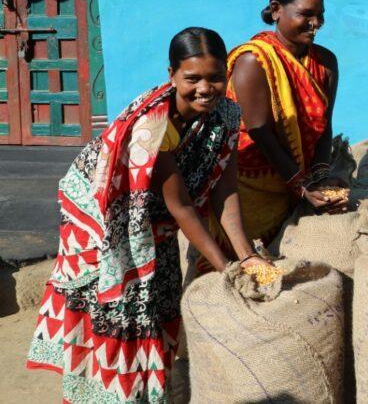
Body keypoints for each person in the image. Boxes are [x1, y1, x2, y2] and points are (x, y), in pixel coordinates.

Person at [26, 27, 271, 402]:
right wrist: (228, 269)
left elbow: (226, 191)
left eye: (216, 77)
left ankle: (152, 392)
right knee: (120, 309)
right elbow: (182, 207)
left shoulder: (226, 114)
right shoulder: (153, 124)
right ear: (171, 74)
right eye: (192, 79)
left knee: (161, 299)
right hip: (103, 218)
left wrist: (247, 255)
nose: (206, 88)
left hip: (153, 218)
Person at [224, 0, 348, 254]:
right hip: (254, 187)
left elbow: (325, 125)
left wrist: (320, 177)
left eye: (320, 15)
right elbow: (259, 131)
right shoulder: (253, 61)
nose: (315, 24)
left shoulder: (326, 63)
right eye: (306, 14)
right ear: (277, 9)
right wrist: (301, 186)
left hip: (299, 182)